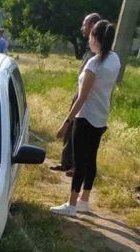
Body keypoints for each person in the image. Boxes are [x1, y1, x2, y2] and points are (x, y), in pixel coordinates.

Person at [50, 20, 120, 217]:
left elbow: (82, 98)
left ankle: (72, 204)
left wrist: (66, 123)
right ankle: (84, 200)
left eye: (91, 36)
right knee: (91, 159)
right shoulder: (115, 59)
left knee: (80, 162)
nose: (89, 39)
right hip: (101, 116)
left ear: (96, 39)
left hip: (86, 117)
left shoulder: (94, 64)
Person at [50, 13, 102, 176]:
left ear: (93, 25)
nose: (82, 28)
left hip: (86, 98)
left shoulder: (99, 51)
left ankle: (77, 166)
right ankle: (66, 163)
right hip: (78, 93)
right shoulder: (90, 48)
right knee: (71, 130)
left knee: (80, 133)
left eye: (84, 24)